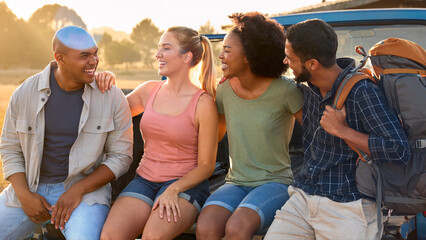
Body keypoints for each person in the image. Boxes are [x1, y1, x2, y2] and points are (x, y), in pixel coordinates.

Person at [264, 19, 410, 240]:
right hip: (303, 197)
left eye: (289, 57)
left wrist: (343, 130)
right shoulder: (310, 88)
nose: (285, 61)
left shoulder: (361, 91)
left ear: (312, 64)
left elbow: (399, 150)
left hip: (348, 206)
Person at [0, 26, 133, 240]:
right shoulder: (24, 93)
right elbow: (9, 148)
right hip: (29, 189)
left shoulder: (111, 97)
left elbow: (121, 156)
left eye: (95, 53)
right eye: (84, 56)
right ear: (59, 58)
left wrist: (77, 190)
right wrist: (24, 195)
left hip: (86, 193)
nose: (94, 61)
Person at [99, 26, 219, 240]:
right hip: (145, 180)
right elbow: (112, 112)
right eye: (158, 48)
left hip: (186, 185)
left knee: (153, 237)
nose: (158, 55)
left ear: (186, 57)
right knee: (110, 236)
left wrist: (174, 189)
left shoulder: (203, 103)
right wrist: (108, 80)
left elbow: (207, 166)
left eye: (166, 48)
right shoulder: (148, 90)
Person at [196, 12, 304, 240]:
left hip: (275, 183)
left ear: (249, 55)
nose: (221, 55)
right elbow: (215, 136)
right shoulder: (224, 90)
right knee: (205, 228)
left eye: (227, 50)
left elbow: (317, 133)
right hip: (236, 182)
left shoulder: (286, 90)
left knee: (236, 228)